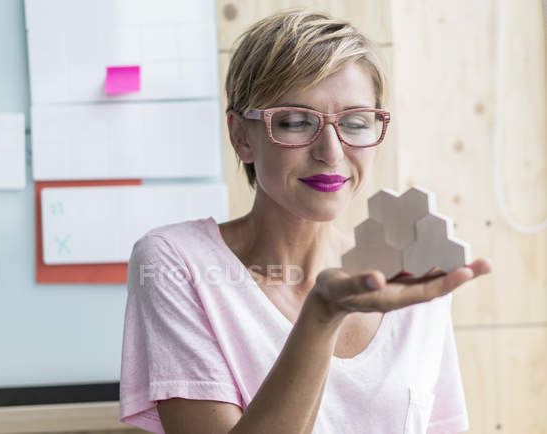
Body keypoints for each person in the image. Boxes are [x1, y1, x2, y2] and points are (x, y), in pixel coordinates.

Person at [118, 9, 493, 434]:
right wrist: (323, 315)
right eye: (296, 122)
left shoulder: (409, 278)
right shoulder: (176, 262)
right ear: (242, 136)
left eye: (354, 122)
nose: (331, 152)